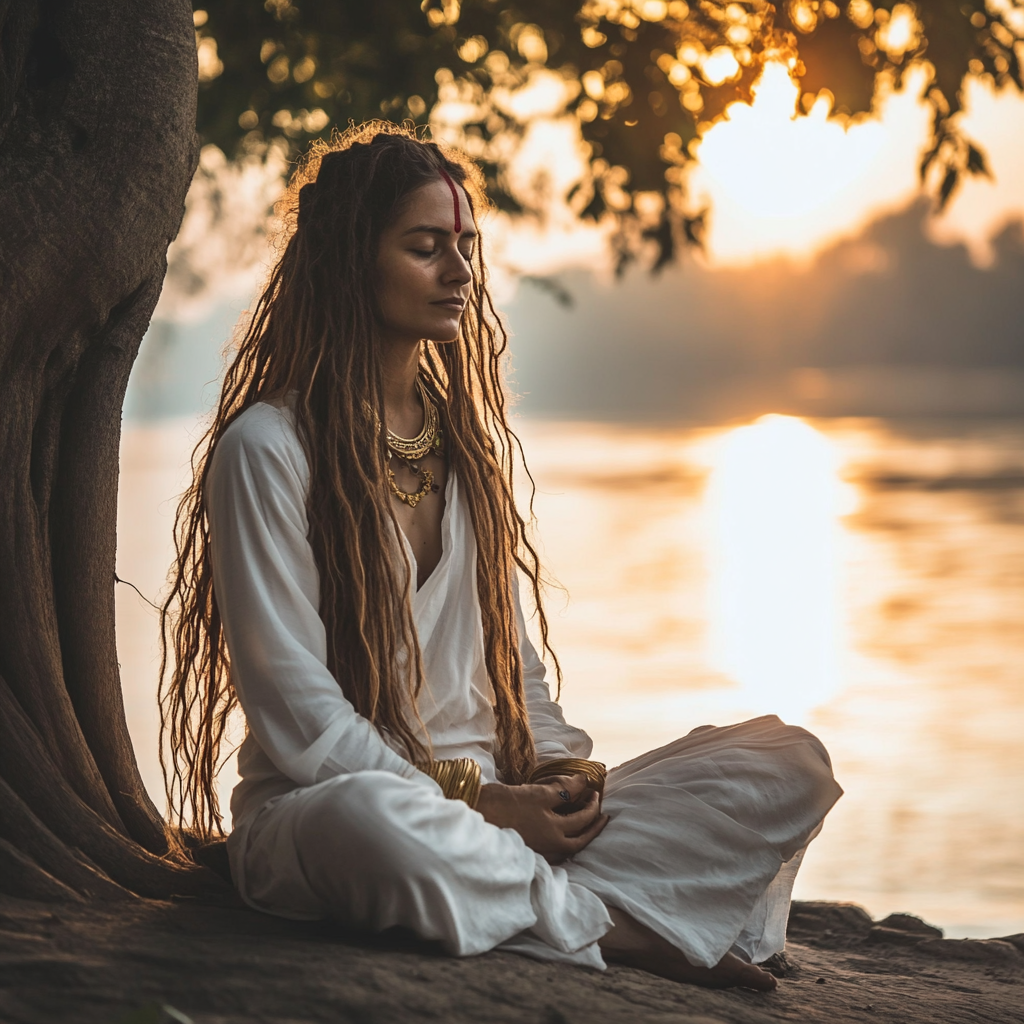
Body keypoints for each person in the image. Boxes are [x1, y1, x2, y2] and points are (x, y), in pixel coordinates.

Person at [161, 122, 842, 991]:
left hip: (507, 816)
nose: (459, 272)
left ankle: (547, 905)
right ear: (349, 263)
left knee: (785, 762)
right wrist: (477, 805)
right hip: (342, 812)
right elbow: (302, 725)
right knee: (374, 822)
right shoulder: (269, 449)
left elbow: (519, 681)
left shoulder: (466, 454)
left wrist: (559, 786)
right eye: (425, 248)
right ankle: (626, 932)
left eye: (465, 248)